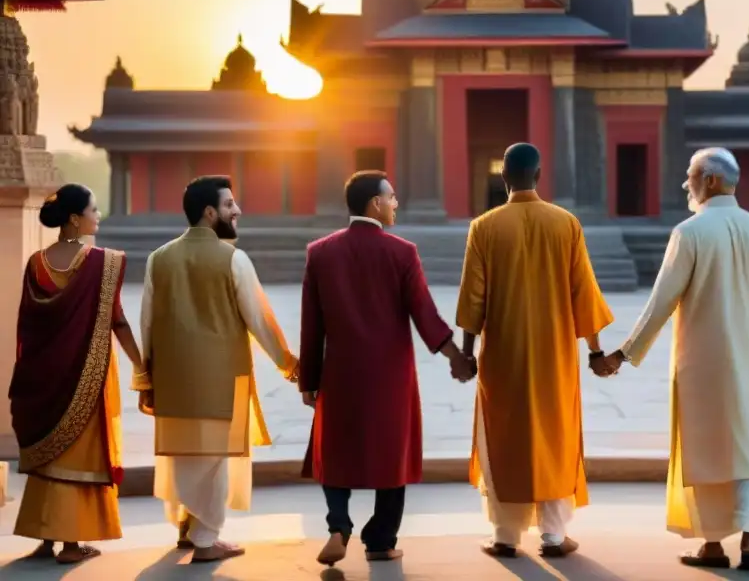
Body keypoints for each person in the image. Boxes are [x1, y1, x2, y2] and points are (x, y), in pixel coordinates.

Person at [604, 148, 749, 571]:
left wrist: (624, 352)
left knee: (705, 450)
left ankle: (711, 545)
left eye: (691, 175)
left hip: (703, 365)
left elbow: (660, 303)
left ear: (709, 181)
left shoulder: (689, 233)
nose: (685, 184)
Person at [299, 170, 475, 567]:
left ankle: (338, 525)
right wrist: (458, 360)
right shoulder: (402, 252)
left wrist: (308, 380)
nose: (396, 204)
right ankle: (380, 538)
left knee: (336, 447)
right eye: (392, 197)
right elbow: (425, 315)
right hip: (390, 376)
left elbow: (312, 325)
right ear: (375, 204)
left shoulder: (320, 252)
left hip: (340, 372)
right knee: (393, 453)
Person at [456, 142, 614, 559]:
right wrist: (596, 353)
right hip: (554, 355)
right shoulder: (566, 224)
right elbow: (585, 294)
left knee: (503, 436)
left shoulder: (485, 226)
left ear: (503, 178)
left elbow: (473, 298)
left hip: (503, 356)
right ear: (539, 176)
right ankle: (554, 536)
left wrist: (467, 354)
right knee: (555, 434)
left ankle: (505, 536)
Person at [132, 175, 299, 563]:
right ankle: (206, 540)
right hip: (221, 379)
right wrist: (289, 365)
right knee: (214, 460)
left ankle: (188, 527)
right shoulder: (232, 258)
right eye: (229, 205)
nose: (236, 210)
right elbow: (260, 320)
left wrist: (146, 379)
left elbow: (147, 324)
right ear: (210, 212)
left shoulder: (159, 257)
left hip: (173, 379)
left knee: (183, 455)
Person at [8, 184, 144, 565]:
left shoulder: (37, 262)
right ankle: (70, 544)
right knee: (76, 457)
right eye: (93, 210)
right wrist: (140, 363)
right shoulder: (103, 262)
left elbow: (28, 328)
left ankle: (45, 538)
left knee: (48, 456)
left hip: (42, 377)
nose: (98, 216)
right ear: (74, 219)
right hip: (85, 376)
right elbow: (117, 321)